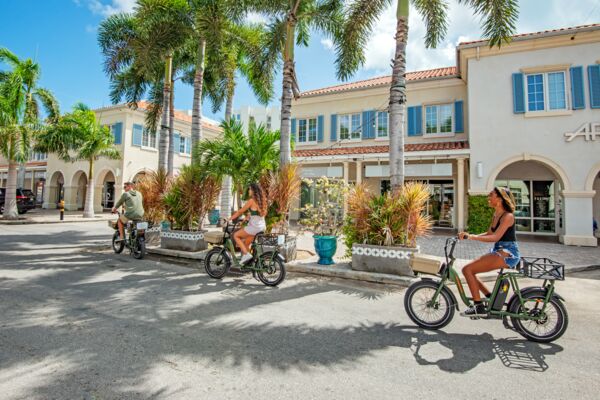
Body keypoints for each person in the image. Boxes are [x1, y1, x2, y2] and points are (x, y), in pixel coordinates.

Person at [458, 186, 520, 316]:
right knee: (470, 270)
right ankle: (491, 298)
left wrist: (472, 237)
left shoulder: (508, 216)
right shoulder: (496, 214)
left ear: (499, 198)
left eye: (491, 195)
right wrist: (470, 236)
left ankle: (478, 307)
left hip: (508, 253)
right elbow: (489, 233)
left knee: (467, 270)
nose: (488, 197)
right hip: (500, 250)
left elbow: (495, 237)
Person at [228, 183, 267, 265]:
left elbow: (240, 211)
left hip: (254, 228)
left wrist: (229, 219)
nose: (249, 191)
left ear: (253, 191)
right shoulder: (262, 201)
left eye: (250, 189)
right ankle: (249, 263)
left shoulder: (251, 201)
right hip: (262, 227)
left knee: (236, 235)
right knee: (246, 244)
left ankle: (246, 255)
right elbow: (259, 214)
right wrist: (248, 217)